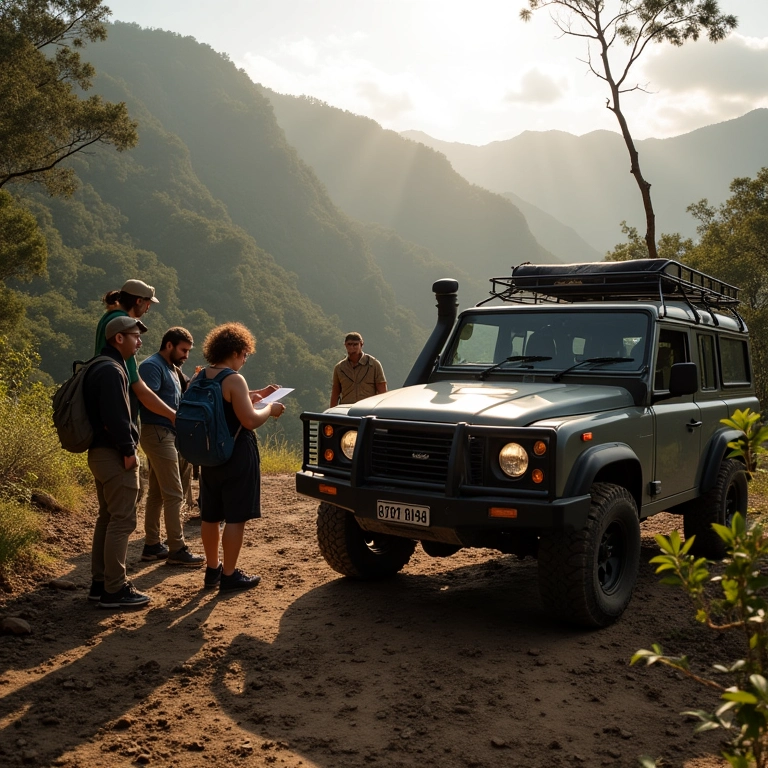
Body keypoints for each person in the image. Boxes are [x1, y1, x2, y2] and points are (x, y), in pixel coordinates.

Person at [197, 322, 285, 592]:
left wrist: (258, 394)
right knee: (236, 517)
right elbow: (248, 419)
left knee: (210, 515)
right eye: (245, 354)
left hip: (209, 455)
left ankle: (212, 570)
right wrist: (269, 408)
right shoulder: (234, 378)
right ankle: (230, 574)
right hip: (236, 454)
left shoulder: (200, 376)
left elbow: (226, 399)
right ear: (235, 351)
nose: (245, 360)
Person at [85, 315, 151, 609]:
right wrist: (128, 450)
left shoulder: (98, 365)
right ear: (119, 338)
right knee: (123, 520)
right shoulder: (113, 370)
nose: (139, 342)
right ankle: (115, 588)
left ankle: (100, 584)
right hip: (114, 454)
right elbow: (116, 418)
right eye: (135, 336)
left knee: (108, 518)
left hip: (98, 453)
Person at [138, 327, 205, 566]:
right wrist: (173, 415)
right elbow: (147, 399)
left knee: (157, 492)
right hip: (158, 433)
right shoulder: (152, 366)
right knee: (174, 493)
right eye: (183, 350)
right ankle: (177, 548)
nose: (186, 355)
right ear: (169, 345)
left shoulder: (171, 369)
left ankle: (152, 545)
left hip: (165, 434)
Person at [94, 279, 176, 424]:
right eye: (148, 303)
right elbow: (138, 386)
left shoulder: (108, 317)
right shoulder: (123, 323)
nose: (148, 308)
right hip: (118, 414)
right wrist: (172, 415)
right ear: (138, 301)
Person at [330, 331, 387, 408]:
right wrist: (331, 414)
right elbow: (335, 392)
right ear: (345, 345)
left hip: (368, 409)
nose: (352, 347)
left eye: (355, 344)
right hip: (346, 410)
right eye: (349, 344)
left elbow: (382, 391)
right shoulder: (340, 368)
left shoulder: (373, 365)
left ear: (361, 344)